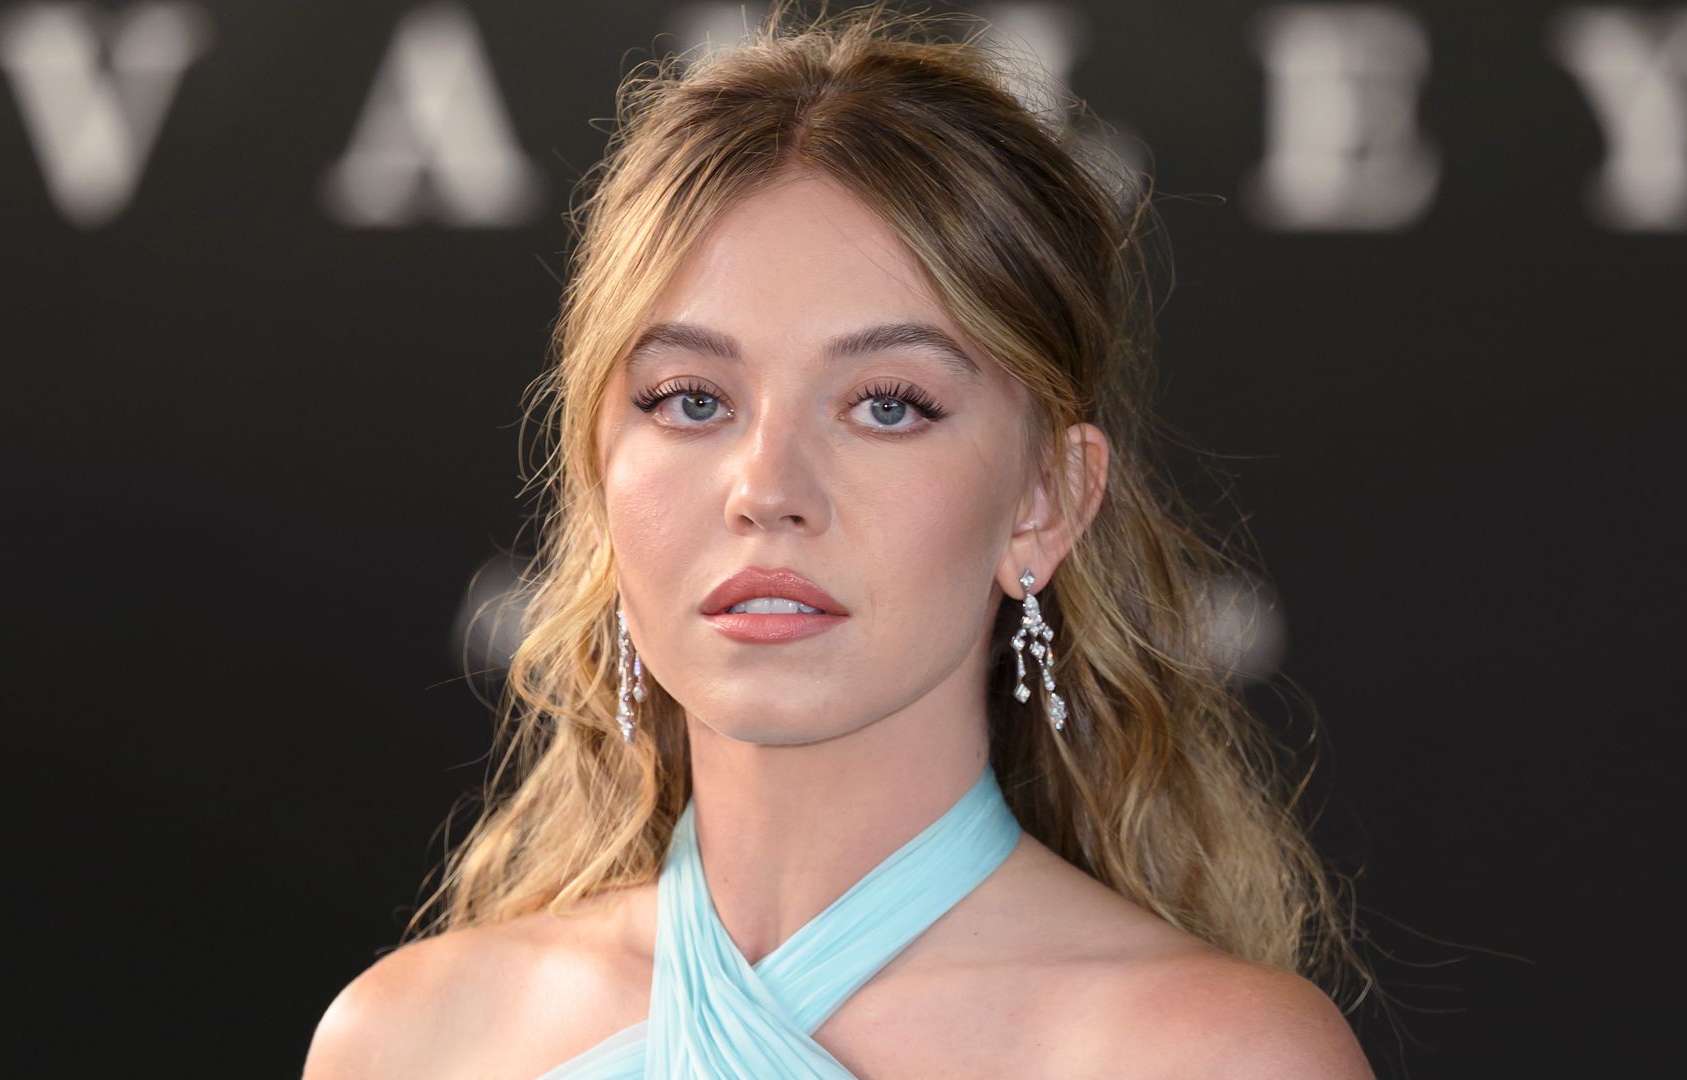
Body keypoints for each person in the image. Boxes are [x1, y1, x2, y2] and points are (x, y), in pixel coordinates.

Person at [306, 2, 1378, 1076]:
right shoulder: (408, 1043)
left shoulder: (1218, 1057)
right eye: (690, 400)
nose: (768, 490)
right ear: (598, 472)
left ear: (1046, 500)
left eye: (888, 405)